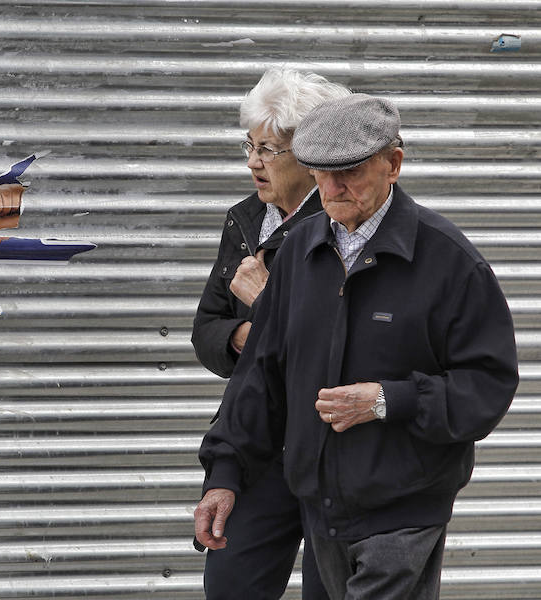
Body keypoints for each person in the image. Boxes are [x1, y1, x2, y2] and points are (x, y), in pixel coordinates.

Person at [195, 93, 519, 599]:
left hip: (403, 512)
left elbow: (487, 385)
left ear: (394, 165)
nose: (332, 186)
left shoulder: (449, 261)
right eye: (321, 171)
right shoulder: (301, 251)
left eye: (350, 171)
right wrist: (224, 473)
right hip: (321, 507)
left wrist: (390, 400)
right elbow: (260, 373)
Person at [192, 68, 350, 600]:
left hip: (332, 445)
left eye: (269, 149)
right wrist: (250, 335)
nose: (253, 162)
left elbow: (349, 342)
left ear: (310, 157)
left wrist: (267, 307)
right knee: (232, 584)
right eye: (250, 145)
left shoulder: (345, 225)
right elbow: (208, 329)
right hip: (258, 439)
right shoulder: (244, 220)